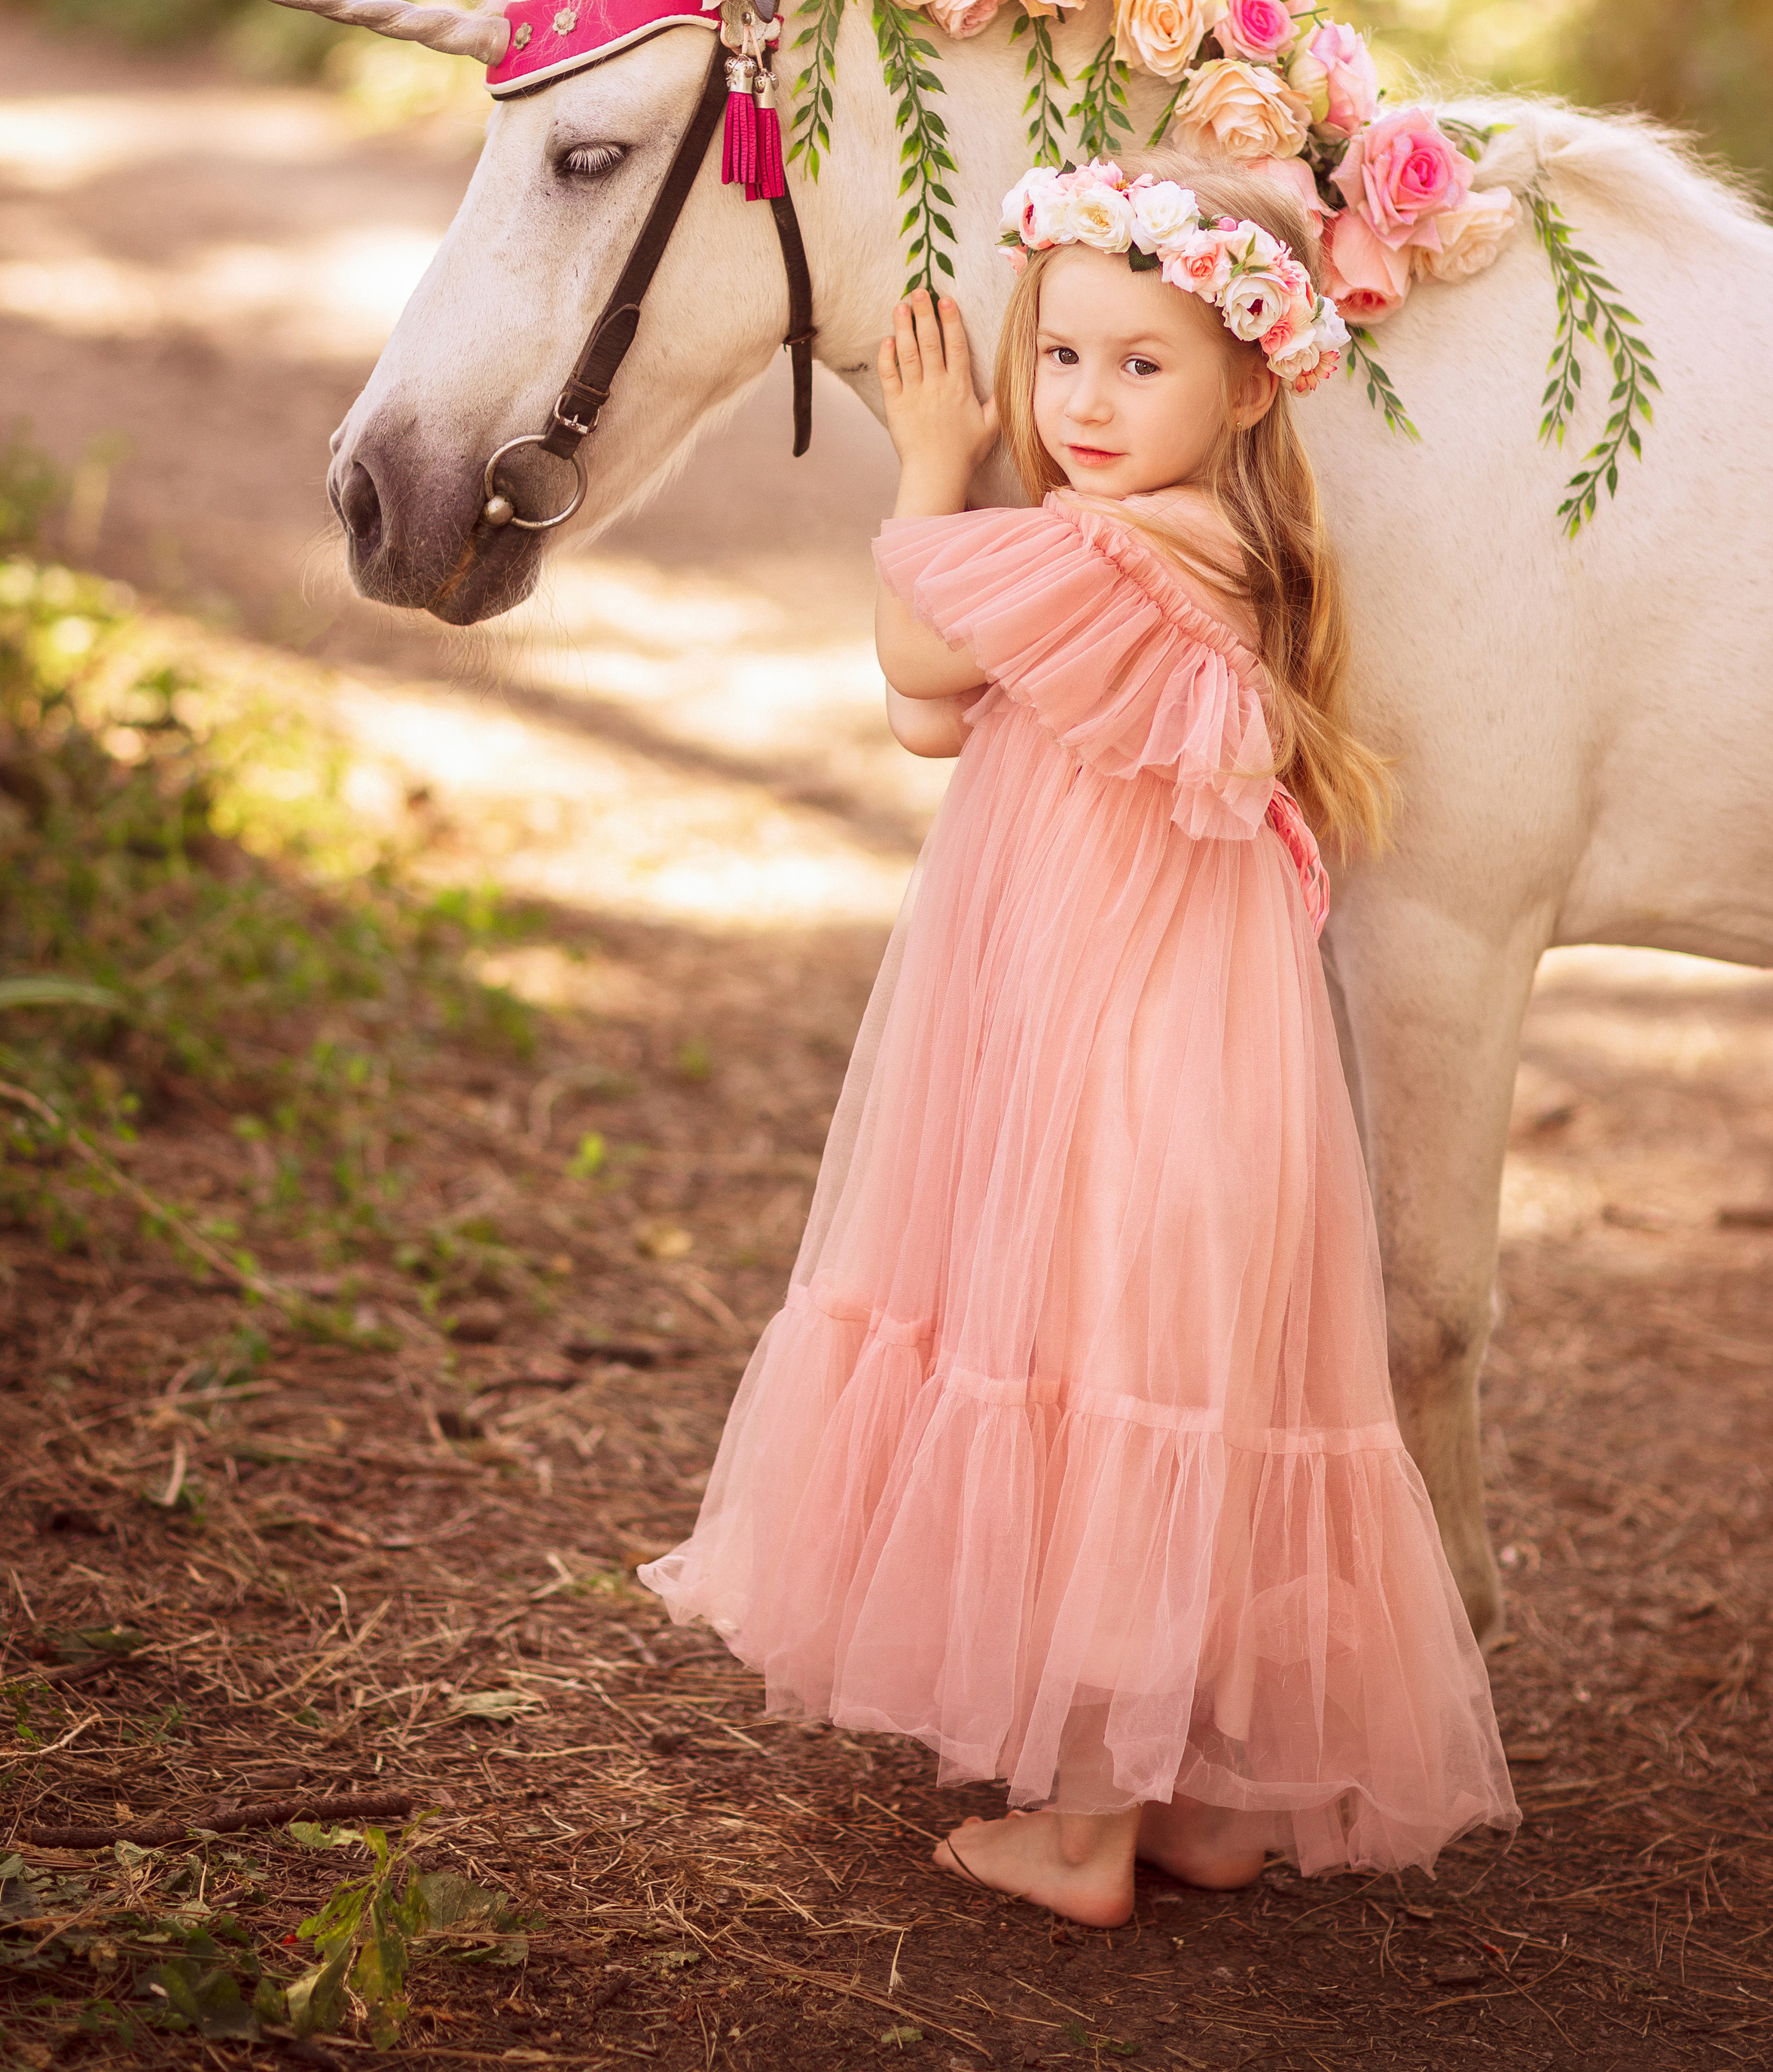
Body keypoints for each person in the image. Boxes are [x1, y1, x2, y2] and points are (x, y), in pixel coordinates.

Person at [642, 147, 1517, 1924]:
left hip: (1111, 1046)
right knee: (1168, 1382)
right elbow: (927, 713)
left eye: (1141, 364)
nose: (1087, 399)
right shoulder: (1216, 546)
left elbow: (908, 636)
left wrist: (931, 455)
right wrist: (955, 582)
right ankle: (1196, 1795)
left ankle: (1081, 1824)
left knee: (1105, 1369)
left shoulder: (1108, 541)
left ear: (1249, 379)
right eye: (1061, 357)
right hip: (1174, 1037)